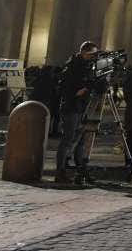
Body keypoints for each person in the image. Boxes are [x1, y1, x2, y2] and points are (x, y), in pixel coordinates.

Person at [55, 41, 99, 184]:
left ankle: (80, 170)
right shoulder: (73, 66)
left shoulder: (86, 66)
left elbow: (90, 83)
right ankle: (60, 171)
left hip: (81, 107)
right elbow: (65, 86)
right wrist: (78, 91)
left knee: (80, 141)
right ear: (84, 52)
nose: (94, 57)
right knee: (68, 140)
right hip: (72, 107)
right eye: (92, 54)